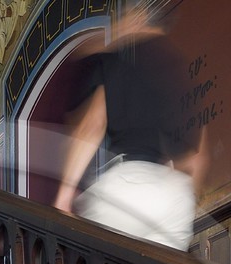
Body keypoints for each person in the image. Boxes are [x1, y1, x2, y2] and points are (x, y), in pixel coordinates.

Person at [52, 5, 206, 251]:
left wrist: (64, 196)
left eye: (122, 18)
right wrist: (185, 201)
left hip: (127, 188)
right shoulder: (184, 73)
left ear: (138, 17)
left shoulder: (119, 61)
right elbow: (196, 160)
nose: (117, 27)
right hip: (175, 194)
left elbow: (92, 126)